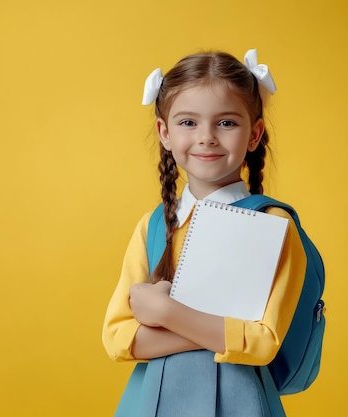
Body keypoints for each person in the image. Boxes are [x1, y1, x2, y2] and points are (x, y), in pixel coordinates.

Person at [102, 49, 307, 417]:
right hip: (152, 402)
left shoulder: (273, 224)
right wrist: (220, 331)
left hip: (241, 403)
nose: (207, 137)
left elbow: (264, 342)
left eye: (226, 123)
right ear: (164, 132)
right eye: (188, 123)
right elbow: (118, 339)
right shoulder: (153, 225)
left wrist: (165, 312)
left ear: (254, 133)